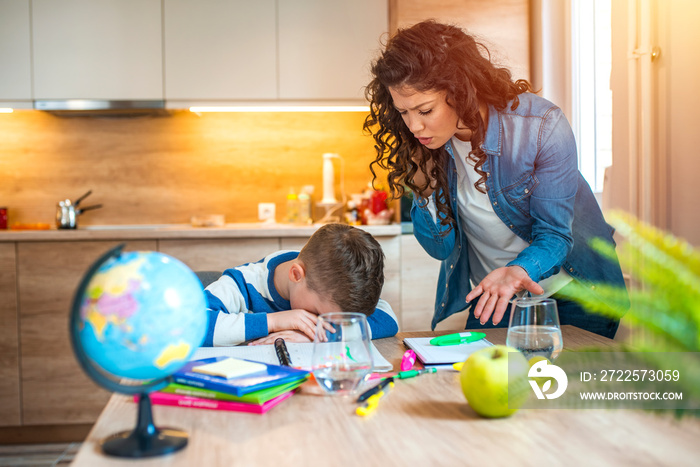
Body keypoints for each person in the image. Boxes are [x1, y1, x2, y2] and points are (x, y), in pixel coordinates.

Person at [363, 20, 627, 338]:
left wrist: (517, 271)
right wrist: (424, 187)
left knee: (554, 387)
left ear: (462, 91)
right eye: (403, 112)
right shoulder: (427, 148)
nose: (414, 126)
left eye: (425, 110)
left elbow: (556, 236)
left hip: (575, 291)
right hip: (496, 293)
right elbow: (439, 248)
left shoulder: (541, 126)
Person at [201, 223, 398, 346]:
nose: (322, 322)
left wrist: (318, 335)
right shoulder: (243, 283)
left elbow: (388, 319)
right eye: (320, 316)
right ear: (296, 275)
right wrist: (274, 321)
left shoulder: (339, 282)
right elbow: (194, 324)